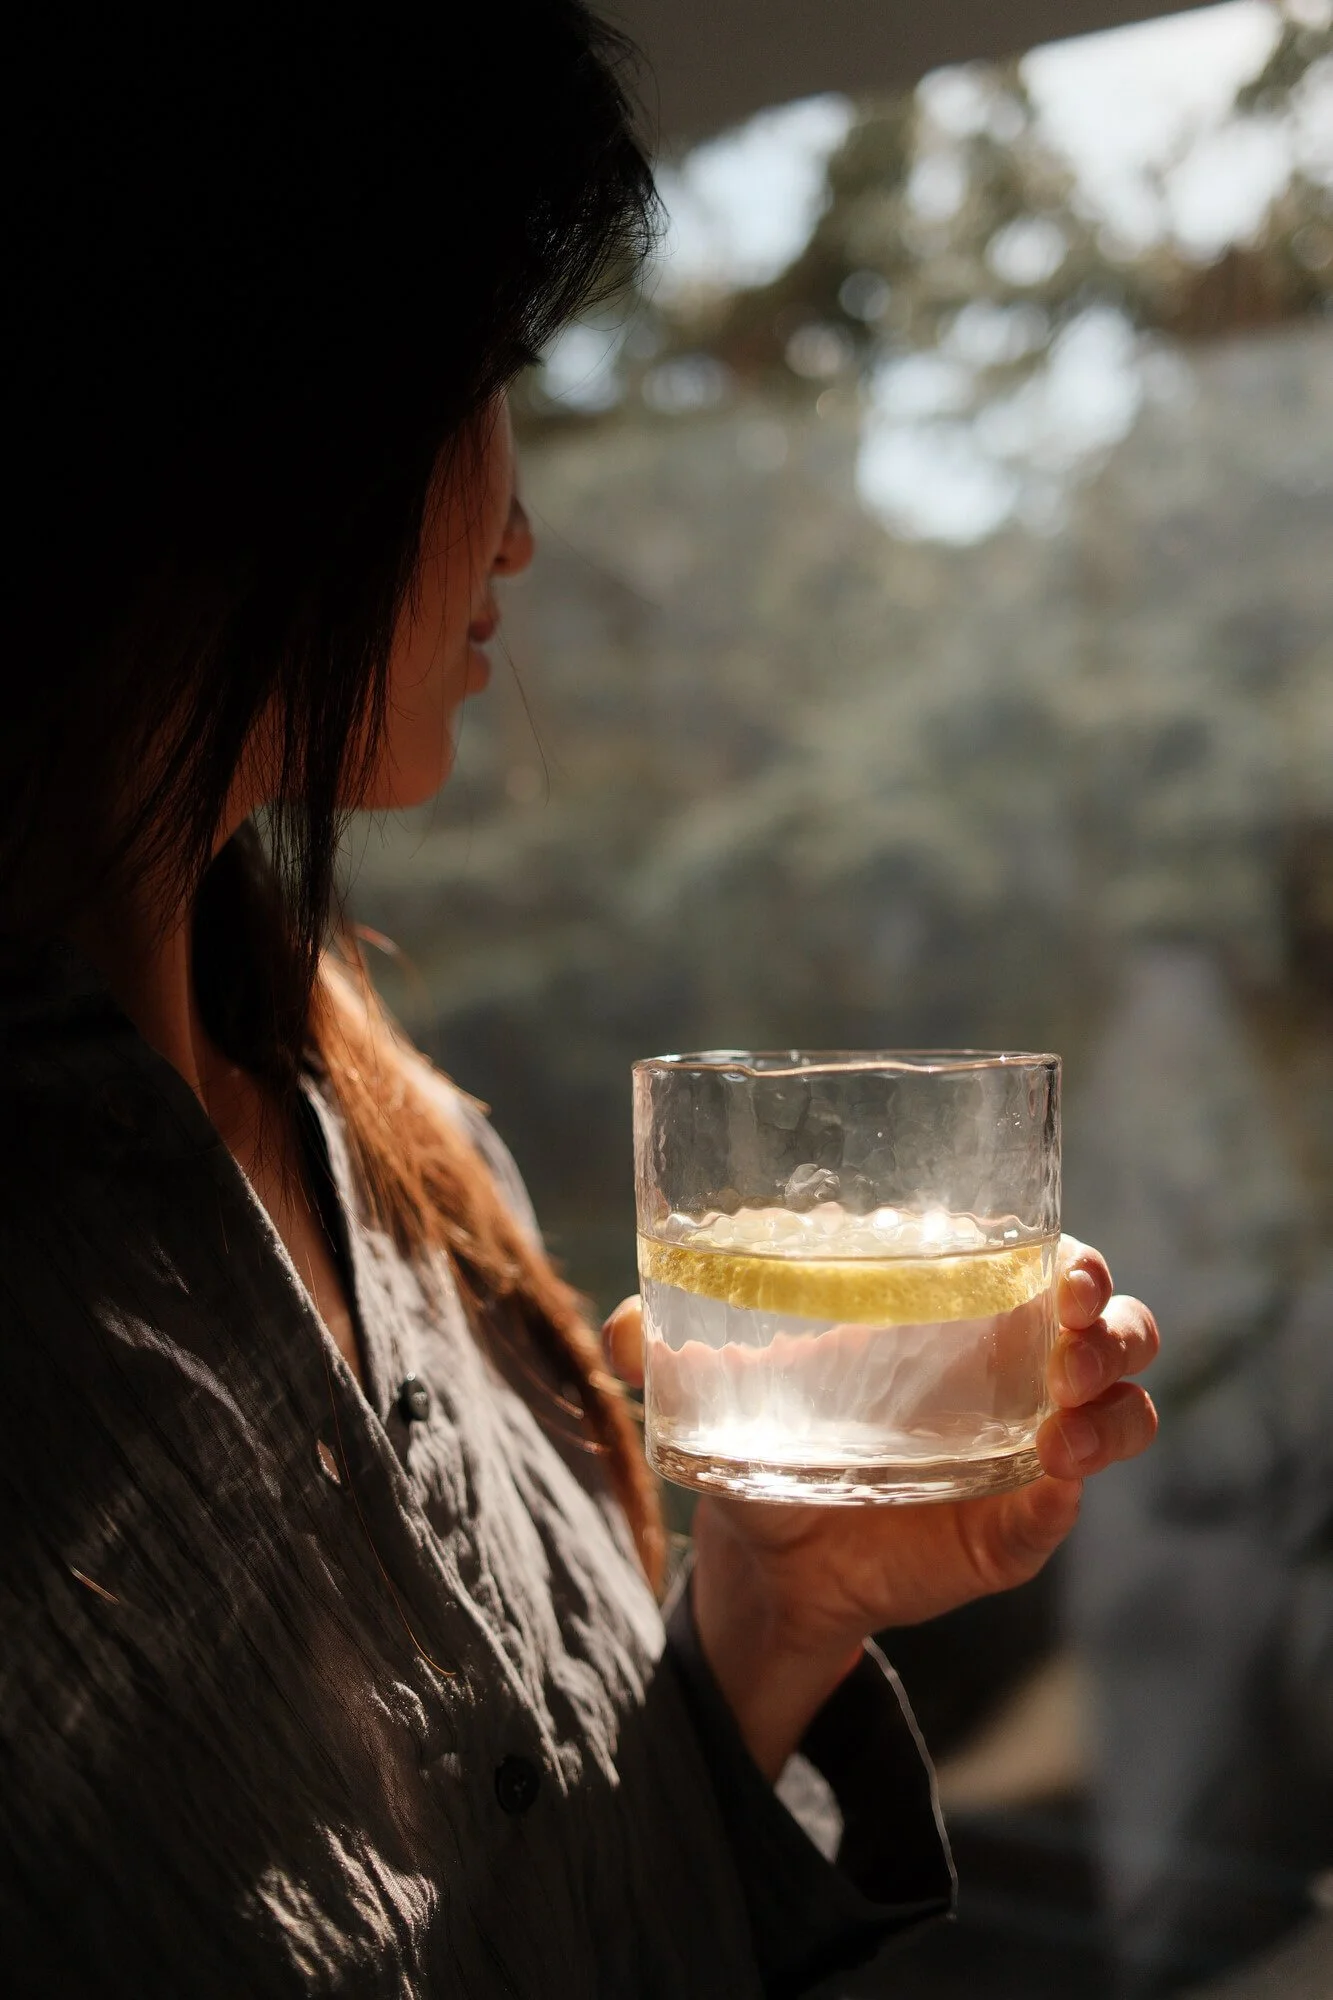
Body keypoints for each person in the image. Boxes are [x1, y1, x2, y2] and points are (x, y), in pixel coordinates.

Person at [0, 8, 1159, 1995]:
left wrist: (773, 1616)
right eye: (484, 385)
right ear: (260, 415)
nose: (520, 524)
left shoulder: (409, 1146)